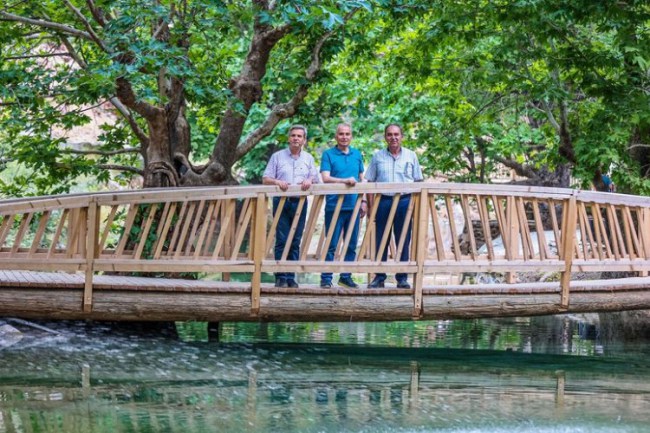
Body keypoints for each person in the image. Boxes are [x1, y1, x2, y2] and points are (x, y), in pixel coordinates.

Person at [365, 124, 423, 289]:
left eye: (396, 134)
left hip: (405, 202)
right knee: (381, 239)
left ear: (401, 136)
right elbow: (369, 181)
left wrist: (416, 208)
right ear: (385, 137)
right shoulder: (377, 156)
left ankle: (402, 278)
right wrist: (371, 207)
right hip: (383, 201)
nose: (393, 137)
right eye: (389, 134)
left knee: (403, 239)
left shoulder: (411, 155)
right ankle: (379, 277)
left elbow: (418, 181)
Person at [262, 125, 320, 288]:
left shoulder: (308, 158)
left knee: (295, 240)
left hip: (300, 202)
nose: (296, 138)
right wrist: (277, 181)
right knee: (281, 239)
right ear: (289, 138)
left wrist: (309, 180)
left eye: (299, 136)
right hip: (281, 201)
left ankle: (291, 277)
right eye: (293, 135)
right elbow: (265, 178)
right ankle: (280, 276)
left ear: (304, 140)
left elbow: (316, 179)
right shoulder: (277, 156)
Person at [319, 124, 367, 289]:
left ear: (351, 136)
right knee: (331, 244)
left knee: (351, 244)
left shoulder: (357, 154)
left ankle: (345, 277)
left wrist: (364, 201)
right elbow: (325, 178)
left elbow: (362, 179)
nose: (344, 137)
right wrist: (345, 181)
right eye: (341, 134)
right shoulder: (328, 154)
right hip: (334, 206)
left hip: (353, 206)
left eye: (347, 134)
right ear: (336, 136)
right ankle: (326, 278)